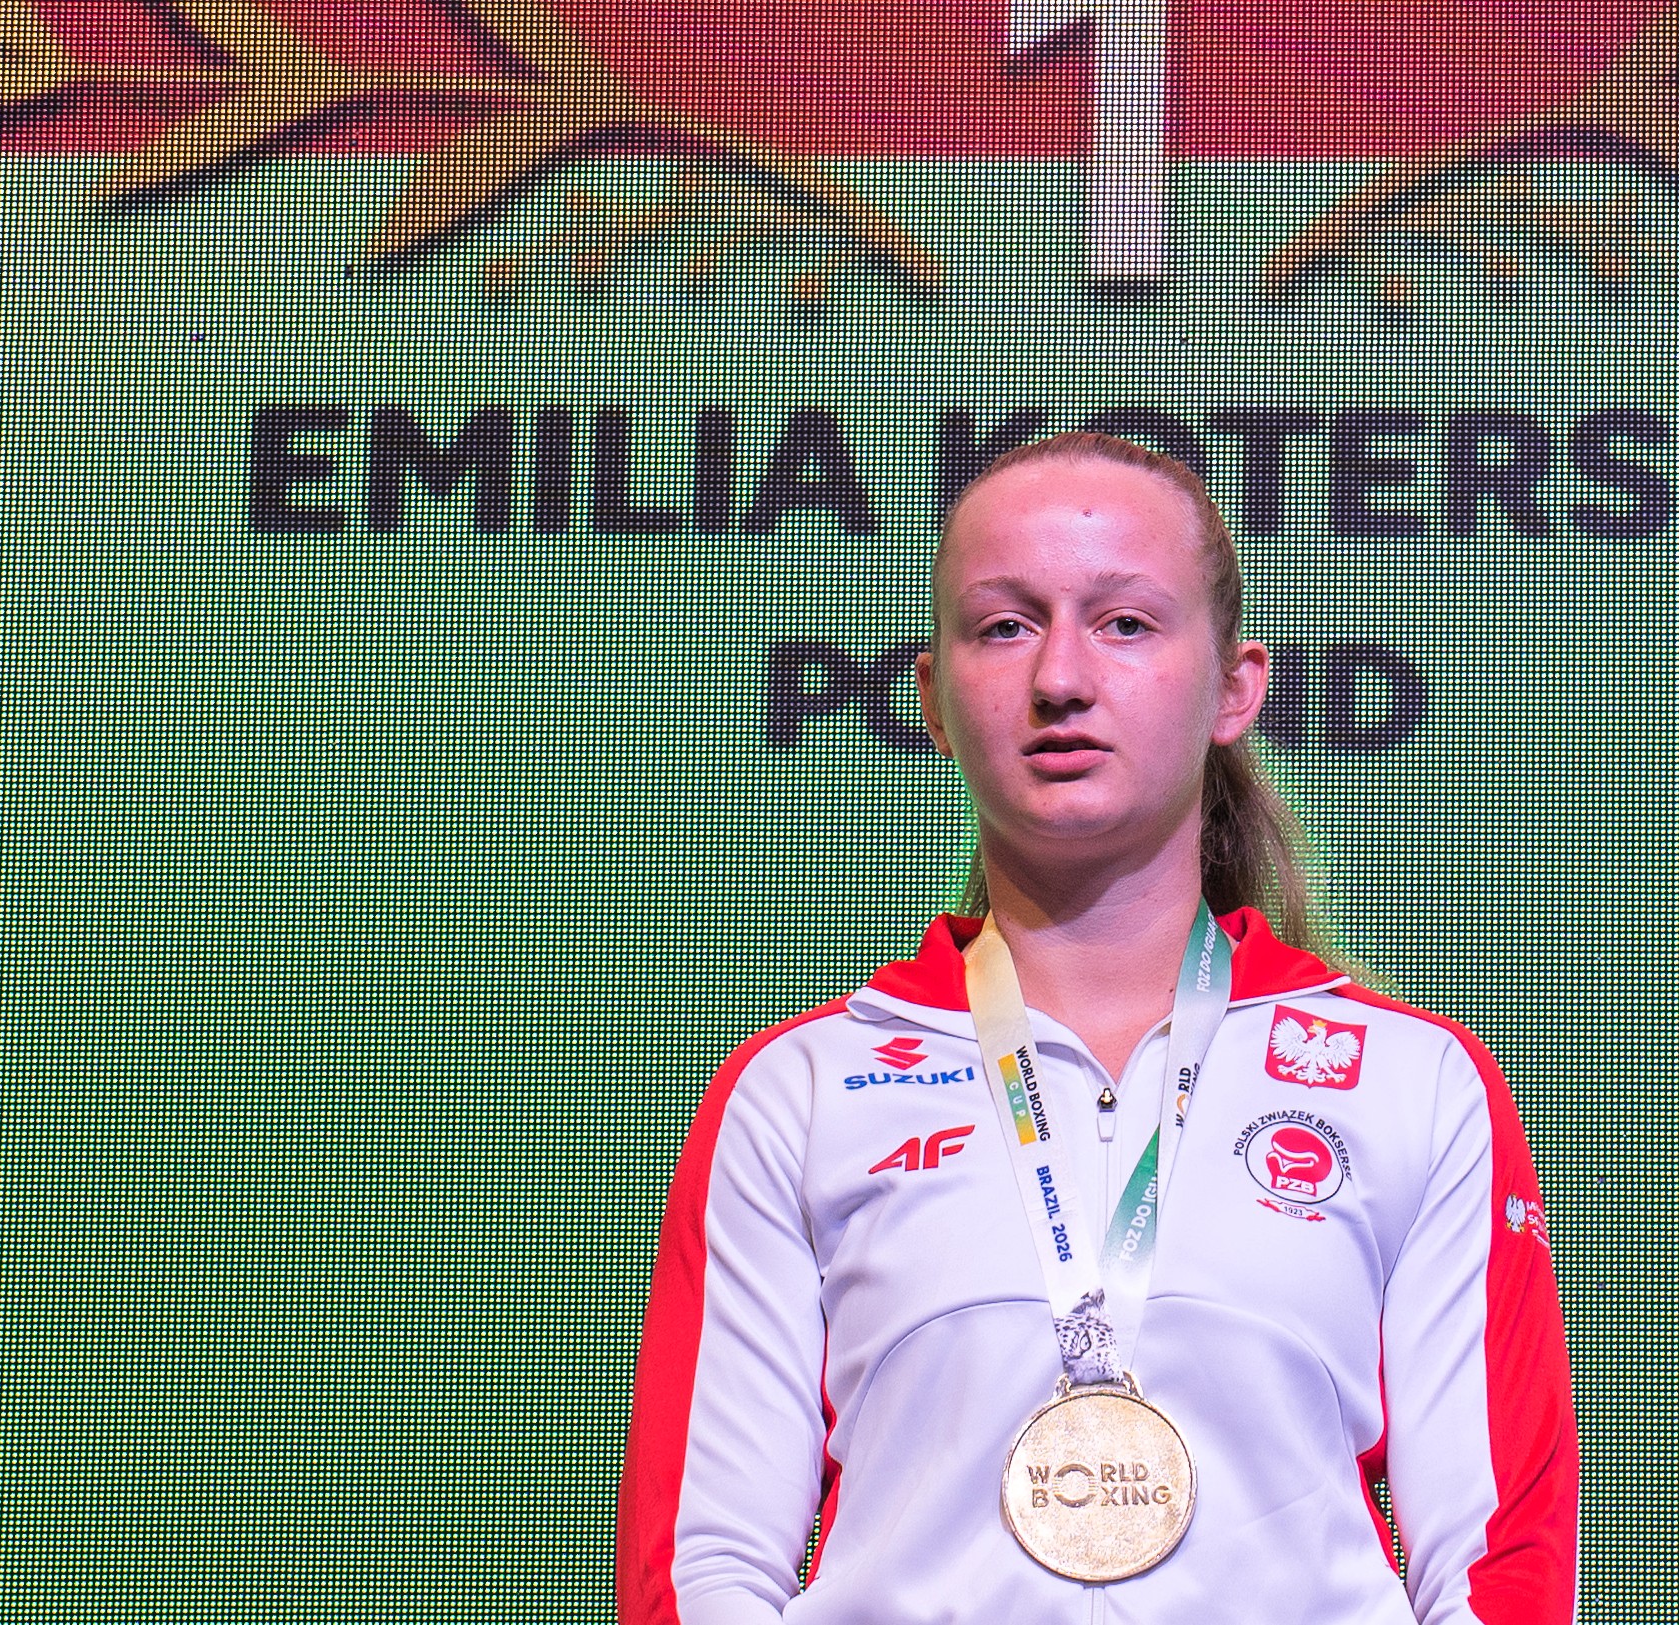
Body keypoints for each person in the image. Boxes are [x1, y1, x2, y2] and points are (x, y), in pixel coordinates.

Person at [615, 432, 1577, 1625]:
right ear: (932, 696)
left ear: (1235, 687)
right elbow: (700, 1567)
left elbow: (1499, 1563)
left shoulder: (1412, 1081)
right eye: (1003, 625)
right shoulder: (801, 1089)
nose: (1060, 676)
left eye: (1125, 622)